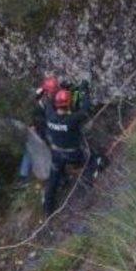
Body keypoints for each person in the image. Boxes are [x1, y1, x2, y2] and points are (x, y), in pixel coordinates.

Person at [43, 85, 100, 216]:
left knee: (53, 180)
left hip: (57, 154)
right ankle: (87, 187)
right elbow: (85, 108)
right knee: (95, 159)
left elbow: (48, 103)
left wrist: (59, 90)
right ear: (68, 105)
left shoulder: (50, 115)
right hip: (74, 154)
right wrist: (84, 91)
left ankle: (48, 209)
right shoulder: (72, 120)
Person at [17, 76, 58, 182]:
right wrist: (32, 125)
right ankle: (24, 175)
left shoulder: (46, 98)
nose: (52, 94)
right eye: (51, 92)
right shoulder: (37, 103)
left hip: (43, 125)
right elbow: (32, 113)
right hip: (38, 126)